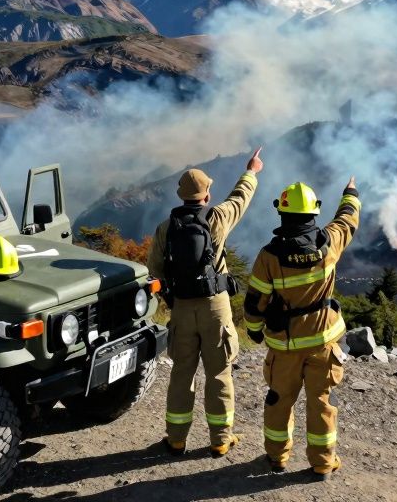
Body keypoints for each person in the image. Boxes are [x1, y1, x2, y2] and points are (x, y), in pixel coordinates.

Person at [146, 148, 263, 457]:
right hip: (216, 308)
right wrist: (251, 171)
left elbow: (154, 270)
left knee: (181, 374)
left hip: (182, 308)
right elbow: (240, 198)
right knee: (219, 374)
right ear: (207, 195)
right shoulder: (218, 218)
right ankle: (221, 439)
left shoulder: (166, 228)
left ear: (181, 195)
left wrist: (171, 300)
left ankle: (176, 439)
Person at [242, 176, 360, 480]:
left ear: (281, 213)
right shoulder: (330, 242)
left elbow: (256, 302)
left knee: (279, 400)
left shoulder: (269, 257)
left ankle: (276, 458)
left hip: (284, 346)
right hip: (324, 343)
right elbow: (347, 219)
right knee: (321, 402)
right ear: (314, 212)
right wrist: (350, 192)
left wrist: (254, 330)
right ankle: (322, 463)